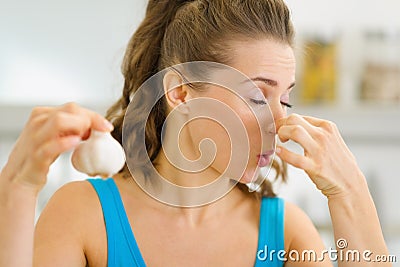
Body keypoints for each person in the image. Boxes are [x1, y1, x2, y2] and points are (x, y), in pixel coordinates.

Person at [0, 0, 391, 266]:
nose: (279, 125)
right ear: (181, 92)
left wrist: (349, 191)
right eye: (257, 97)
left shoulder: (286, 233)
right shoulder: (82, 214)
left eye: (285, 101)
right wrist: (17, 188)